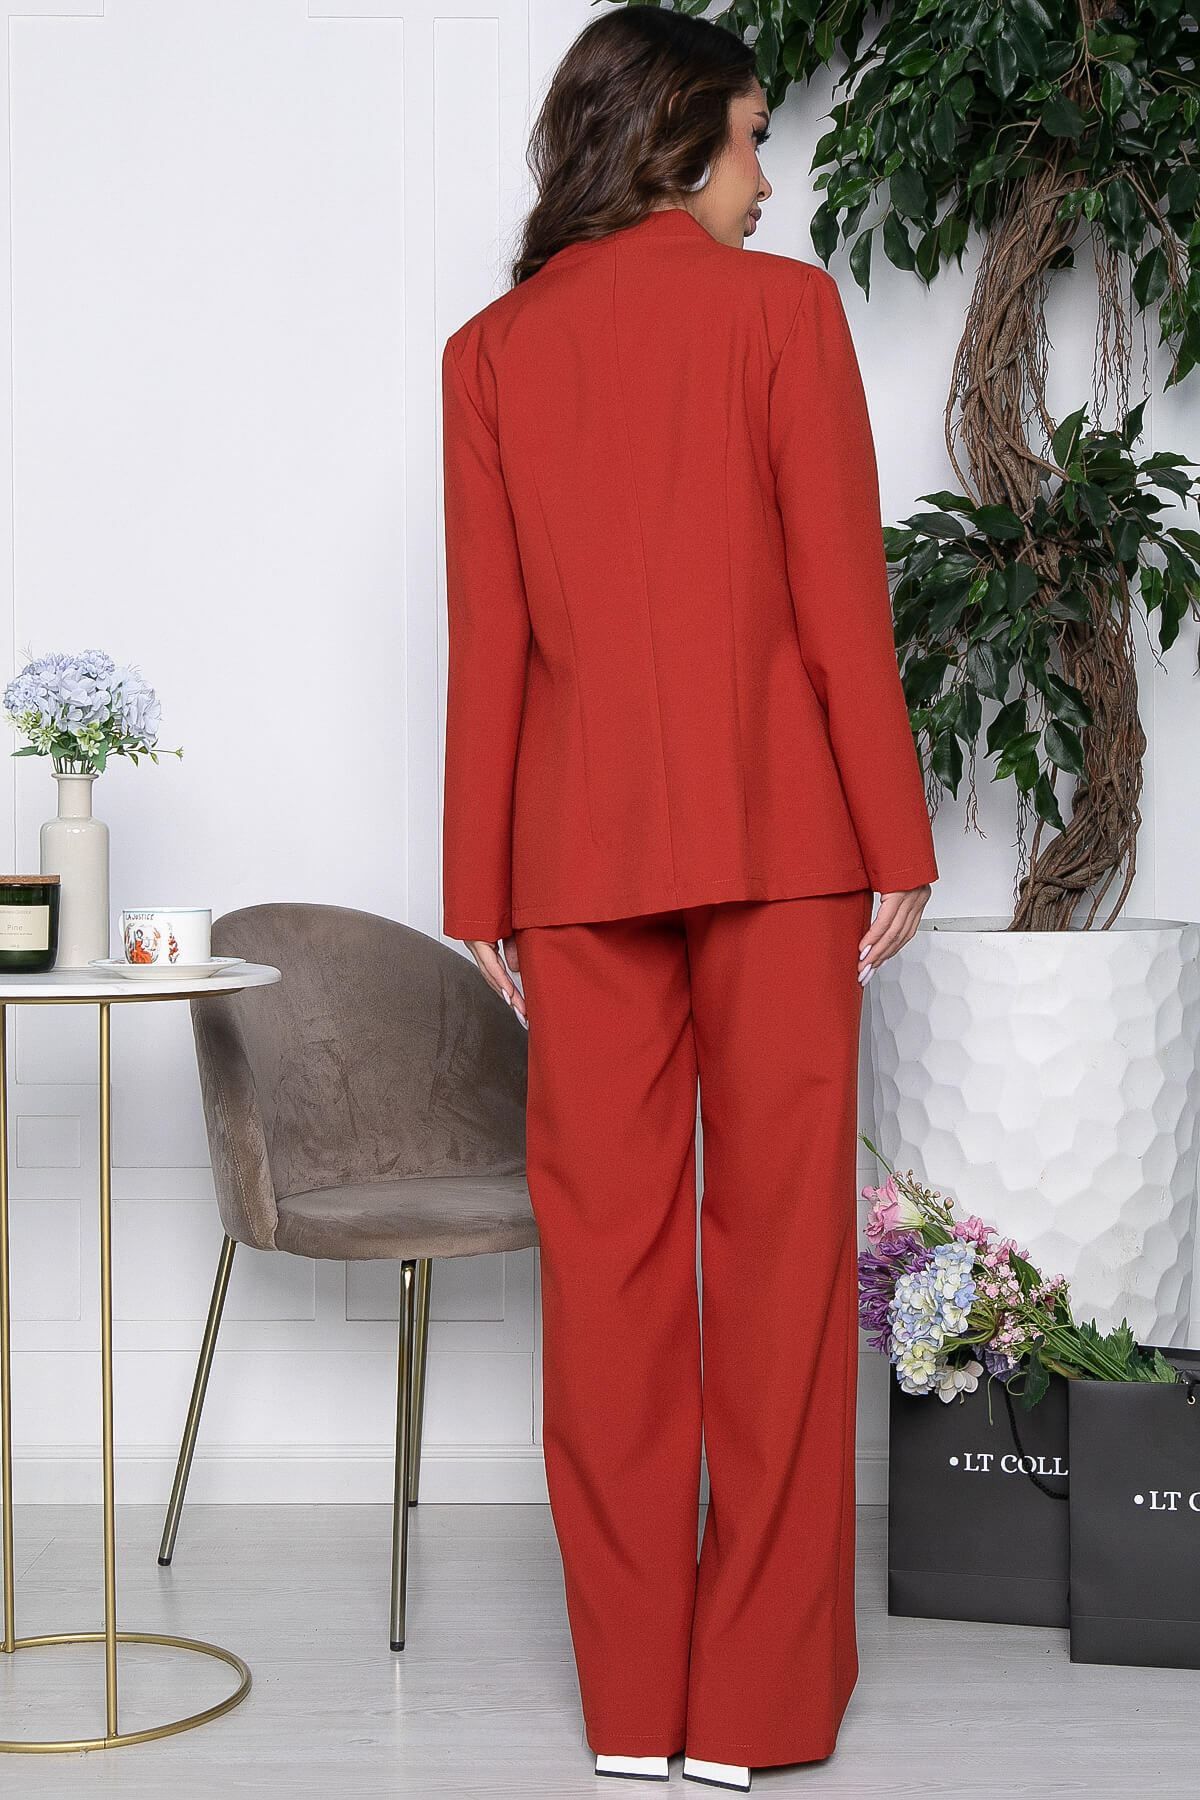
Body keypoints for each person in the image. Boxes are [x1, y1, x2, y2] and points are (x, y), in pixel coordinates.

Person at [439, 9, 937, 1791]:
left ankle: (634, 1708)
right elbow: (837, 602)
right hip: (785, 846)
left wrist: (478, 885)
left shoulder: (489, 353)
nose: (767, 175)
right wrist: (899, 835)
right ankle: (753, 1715)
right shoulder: (783, 315)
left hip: (571, 864)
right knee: (781, 1266)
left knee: (609, 1273)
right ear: (675, 137)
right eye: (751, 135)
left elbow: (489, 646)